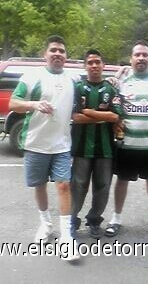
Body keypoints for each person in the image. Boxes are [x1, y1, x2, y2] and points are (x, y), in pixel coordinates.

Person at [9, 35, 80, 261]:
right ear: (45, 54)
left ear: (66, 56)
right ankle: (46, 225)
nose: (58, 54)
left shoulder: (74, 78)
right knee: (39, 186)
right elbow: (13, 102)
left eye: (61, 50)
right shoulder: (32, 76)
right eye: (54, 50)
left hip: (61, 145)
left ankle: (67, 239)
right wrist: (33, 104)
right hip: (35, 143)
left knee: (63, 185)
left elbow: (89, 91)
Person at [105, 40, 148, 237]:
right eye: (137, 55)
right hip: (127, 144)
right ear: (131, 59)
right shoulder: (121, 82)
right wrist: (116, 75)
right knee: (122, 180)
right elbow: (109, 100)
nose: (141, 58)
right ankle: (116, 218)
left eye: (145, 55)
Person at [71, 49, 122, 239]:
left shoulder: (111, 89)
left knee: (102, 187)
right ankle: (71, 220)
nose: (94, 65)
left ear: (103, 65)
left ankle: (94, 220)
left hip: (105, 149)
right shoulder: (77, 88)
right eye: (90, 62)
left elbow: (116, 115)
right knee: (78, 185)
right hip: (81, 148)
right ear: (85, 66)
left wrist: (89, 112)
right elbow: (75, 117)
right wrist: (104, 116)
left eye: (97, 62)